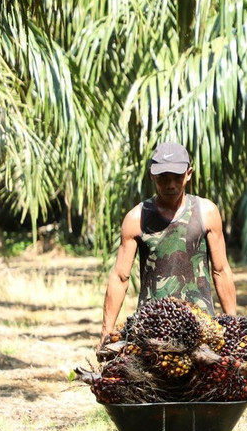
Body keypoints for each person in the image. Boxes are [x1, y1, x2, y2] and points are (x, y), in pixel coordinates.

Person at [100, 141, 237, 343]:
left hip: (200, 326)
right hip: (152, 328)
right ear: (152, 176)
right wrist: (106, 332)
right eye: (163, 178)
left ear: (189, 174)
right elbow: (120, 277)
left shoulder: (206, 212)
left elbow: (221, 270)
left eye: (177, 177)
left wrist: (233, 326)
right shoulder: (137, 218)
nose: (171, 185)